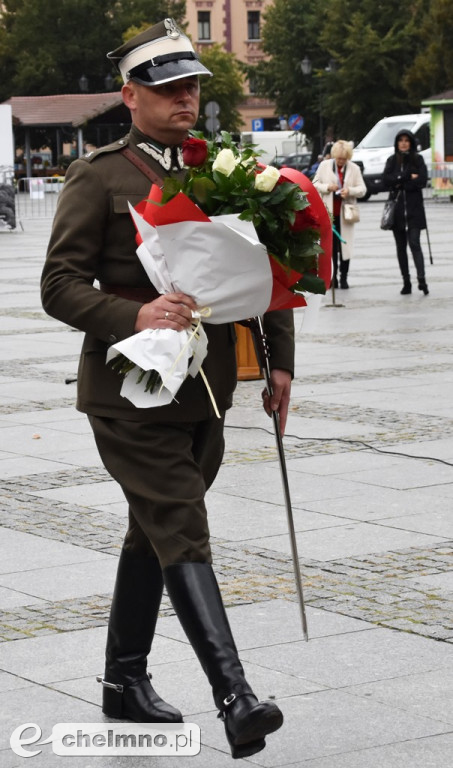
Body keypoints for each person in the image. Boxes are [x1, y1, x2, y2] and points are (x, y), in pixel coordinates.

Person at [41, 18, 293, 760]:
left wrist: (279, 360)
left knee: (152, 531)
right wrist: (134, 312)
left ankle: (123, 682)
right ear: (130, 96)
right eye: (168, 88)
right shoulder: (102, 175)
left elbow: (263, 269)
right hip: (130, 392)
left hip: (207, 388)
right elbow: (58, 285)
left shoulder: (222, 167)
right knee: (180, 525)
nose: (185, 98)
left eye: (192, 87)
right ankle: (236, 697)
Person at [313, 139, 366, 288]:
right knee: (330, 248)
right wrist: (328, 187)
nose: (341, 162)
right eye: (339, 159)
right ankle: (332, 277)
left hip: (346, 214)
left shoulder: (354, 168)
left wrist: (350, 191)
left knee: (345, 246)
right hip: (329, 213)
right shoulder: (324, 166)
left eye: (344, 159)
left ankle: (344, 277)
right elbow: (314, 184)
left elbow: (362, 189)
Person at [383, 130, 429, 295]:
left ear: (411, 142)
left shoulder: (418, 159)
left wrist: (402, 182)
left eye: (406, 140)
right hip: (397, 211)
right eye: (400, 140)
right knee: (400, 247)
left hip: (414, 209)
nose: (403, 143)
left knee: (415, 243)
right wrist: (406, 177)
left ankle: (422, 279)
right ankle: (406, 281)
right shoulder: (392, 160)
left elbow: (422, 180)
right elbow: (386, 180)